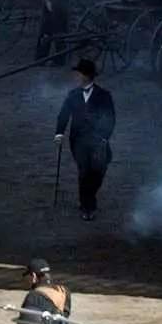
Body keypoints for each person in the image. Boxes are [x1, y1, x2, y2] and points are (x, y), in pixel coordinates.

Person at [54, 59, 117, 220]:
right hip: (79, 142)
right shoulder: (73, 95)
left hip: (98, 141)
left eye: (78, 73)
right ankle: (86, 206)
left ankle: (90, 198)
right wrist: (59, 133)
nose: (75, 76)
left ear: (86, 76)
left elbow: (110, 118)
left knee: (98, 172)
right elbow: (63, 114)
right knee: (84, 172)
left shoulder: (104, 96)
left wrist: (104, 138)